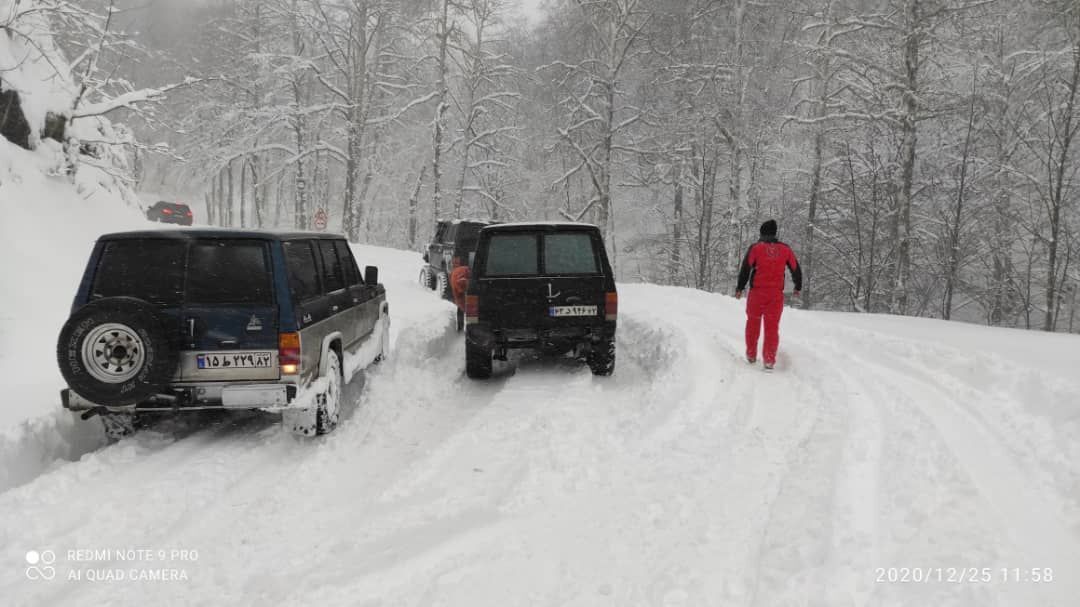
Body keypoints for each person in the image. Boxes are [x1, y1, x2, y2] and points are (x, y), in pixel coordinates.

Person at [735, 219, 802, 370]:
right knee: (772, 327)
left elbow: (745, 269)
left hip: (757, 294)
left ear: (762, 232)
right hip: (775, 295)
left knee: (753, 323)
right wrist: (798, 286)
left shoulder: (756, 248)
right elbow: (795, 268)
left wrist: (739, 288)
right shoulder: (785, 249)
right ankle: (769, 360)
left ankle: (751, 355)